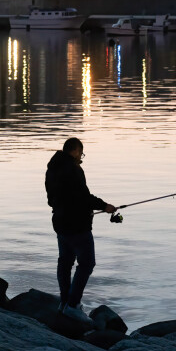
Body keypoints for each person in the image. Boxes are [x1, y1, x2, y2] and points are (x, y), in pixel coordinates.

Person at [45, 138, 117, 324]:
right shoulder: (73, 170)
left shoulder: (52, 169)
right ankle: (73, 304)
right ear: (76, 151)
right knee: (86, 263)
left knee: (65, 262)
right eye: (81, 154)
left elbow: (51, 199)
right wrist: (105, 206)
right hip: (77, 225)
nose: (81, 158)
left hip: (60, 222)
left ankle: (64, 302)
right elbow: (83, 197)